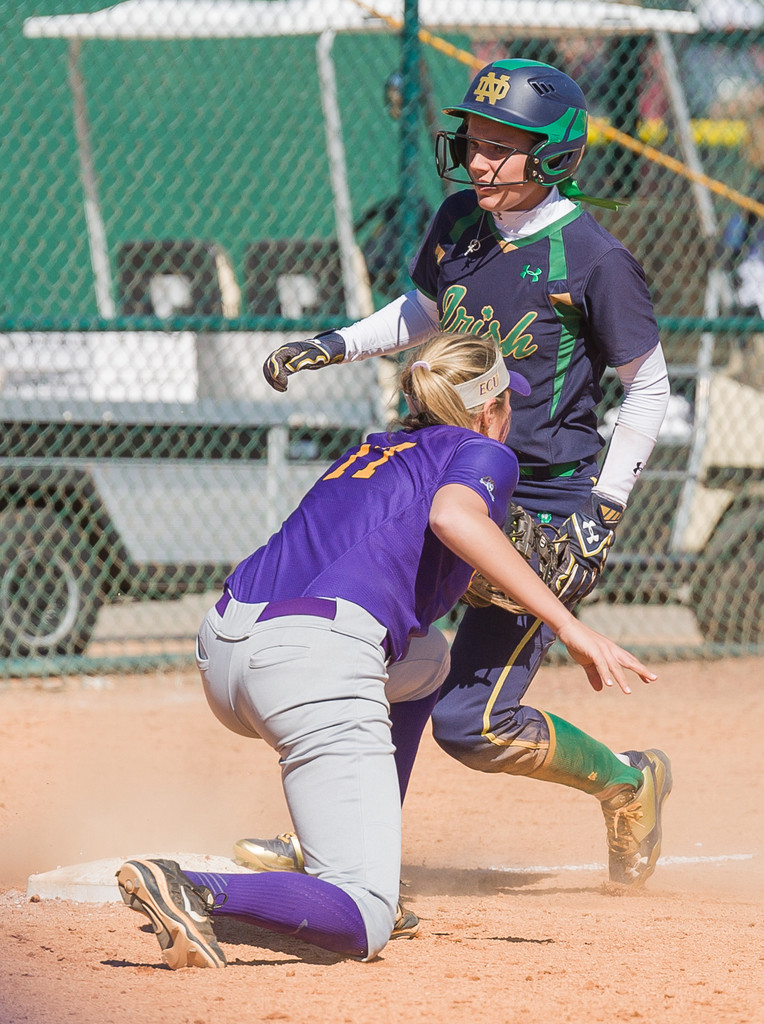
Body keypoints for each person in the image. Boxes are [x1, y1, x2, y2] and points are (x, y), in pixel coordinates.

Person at [248, 58, 673, 908]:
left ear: (553, 157)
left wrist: (608, 505)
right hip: (444, 471)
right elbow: (425, 315)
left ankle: (628, 781)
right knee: (375, 647)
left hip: (544, 504)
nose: (479, 162)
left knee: (469, 726)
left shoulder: (594, 258)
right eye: (475, 142)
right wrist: (337, 342)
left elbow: (649, 388)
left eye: (503, 148)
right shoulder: (460, 223)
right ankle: (336, 840)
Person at [115, 332, 658, 970]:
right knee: (362, 916)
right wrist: (569, 624)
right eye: (506, 403)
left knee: (428, 659)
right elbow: (456, 519)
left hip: (225, 649)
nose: (510, 415)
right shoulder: (483, 450)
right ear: (486, 411)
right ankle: (194, 889)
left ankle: (374, 859)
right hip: (309, 667)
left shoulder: (373, 451)